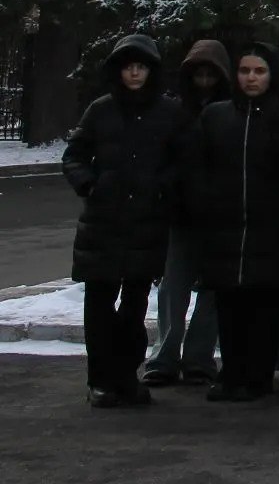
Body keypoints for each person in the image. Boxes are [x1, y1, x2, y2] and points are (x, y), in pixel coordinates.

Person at [64, 35, 191, 408]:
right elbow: (75, 154)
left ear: (151, 71)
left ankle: (126, 376)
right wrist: (89, 183)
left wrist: (162, 187)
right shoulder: (100, 110)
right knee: (99, 306)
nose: (134, 73)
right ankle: (101, 380)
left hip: (146, 221)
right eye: (128, 66)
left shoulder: (169, 113)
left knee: (135, 306)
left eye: (141, 66)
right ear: (117, 71)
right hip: (103, 221)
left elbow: (183, 159)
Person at [187, 44, 279, 402]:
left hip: (271, 229)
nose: (251, 78)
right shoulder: (216, 117)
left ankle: (259, 376)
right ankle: (232, 374)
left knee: (264, 307)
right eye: (245, 70)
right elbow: (198, 166)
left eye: (259, 71)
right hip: (226, 226)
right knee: (229, 305)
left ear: (272, 76)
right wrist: (207, 205)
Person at [144, 39, 229, 388]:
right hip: (181, 214)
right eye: (199, 74)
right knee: (172, 288)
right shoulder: (176, 114)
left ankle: (198, 357)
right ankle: (165, 356)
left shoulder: (228, 113)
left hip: (217, 214)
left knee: (212, 292)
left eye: (211, 75)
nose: (204, 82)